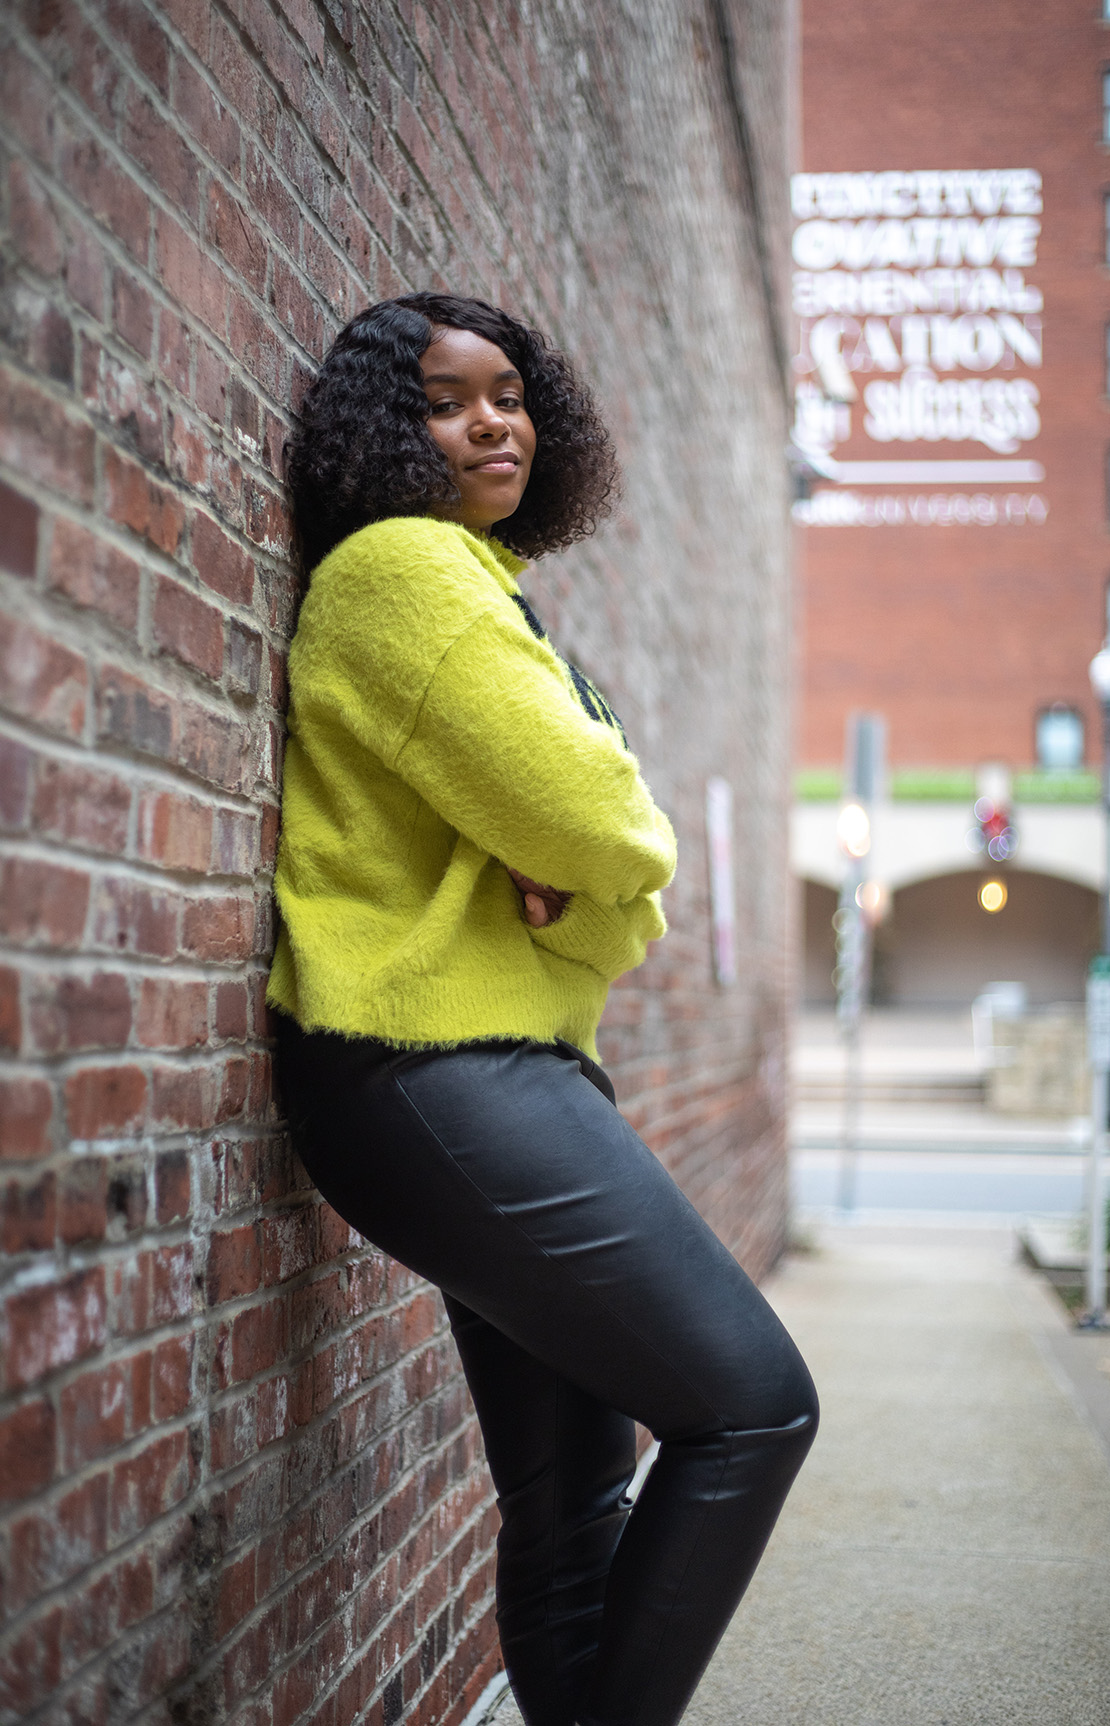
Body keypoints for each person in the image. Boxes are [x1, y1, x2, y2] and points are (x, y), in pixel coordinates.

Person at [269, 292, 818, 1726]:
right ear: (391, 433)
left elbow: (602, 890)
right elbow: (608, 822)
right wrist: (595, 857)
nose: (491, 420)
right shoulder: (403, 569)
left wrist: (585, 874)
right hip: (432, 1069)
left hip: (504, 1071)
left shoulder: (486, 586)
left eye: (508, 393)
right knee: (754, 1401)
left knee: (577, 1493)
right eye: (448, 401)